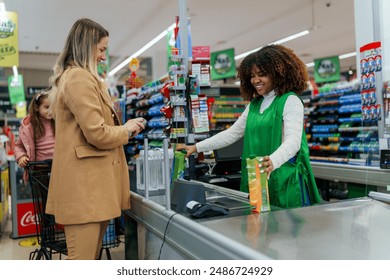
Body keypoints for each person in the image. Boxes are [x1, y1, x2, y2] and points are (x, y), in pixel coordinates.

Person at [45, 18, 146, 260]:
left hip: (89, 190)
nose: (103, 56)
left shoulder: (79, 77)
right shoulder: (79, 78)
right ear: (86, 45)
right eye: (101, 49)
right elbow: (97, 133)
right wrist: (128, 129)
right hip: (85, 192)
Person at [178, 44, 322, 209]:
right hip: (258, 178)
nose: (255, 80)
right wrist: (195, 147)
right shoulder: (254, 105)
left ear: (278, 74)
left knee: (286, 228)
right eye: (252, 76)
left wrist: (273, 161)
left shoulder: (290, 101)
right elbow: (231, 134)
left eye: (262, 74)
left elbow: (293, 141)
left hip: (284, 178)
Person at [14, 90, 55, 183]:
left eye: (53, 107)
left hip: (59, 168)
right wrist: (21, 157)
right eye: (47, 107)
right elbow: (18, 146)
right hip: (39, 170)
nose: (51, 111)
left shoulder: (59, 123)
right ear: (37, 107)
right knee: (44, 197)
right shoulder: (29, 126)